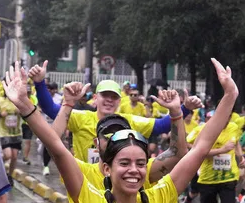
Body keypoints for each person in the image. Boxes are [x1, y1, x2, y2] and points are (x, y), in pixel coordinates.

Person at [3, 58, 238, 203]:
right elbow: (56, 146)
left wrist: (229, 95)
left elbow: (197, 149)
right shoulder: (89, 198)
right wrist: (25, 104)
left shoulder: (157, 199)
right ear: (106, 168)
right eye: (124, 163)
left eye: (140, 163)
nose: (133, 170)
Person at [28, 61, 203, 163]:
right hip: (84, 190)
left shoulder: (129, 122)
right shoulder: (81, 118)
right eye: (105, 96)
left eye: (114, 97)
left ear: (120, 101)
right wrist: (39, 83)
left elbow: (161, 126)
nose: (109, 100)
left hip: (117, 192)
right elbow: (51, 109)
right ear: (95, 99)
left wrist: (184, 108)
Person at [0, 92, 23, 186]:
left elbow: (26, 113)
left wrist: (21, 111)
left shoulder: (19, 101)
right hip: (4, 132)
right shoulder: (0, 101)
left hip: (16, 132)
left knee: (14, 157)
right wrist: (0, 114)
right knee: (8, 155)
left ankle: (9, 176)